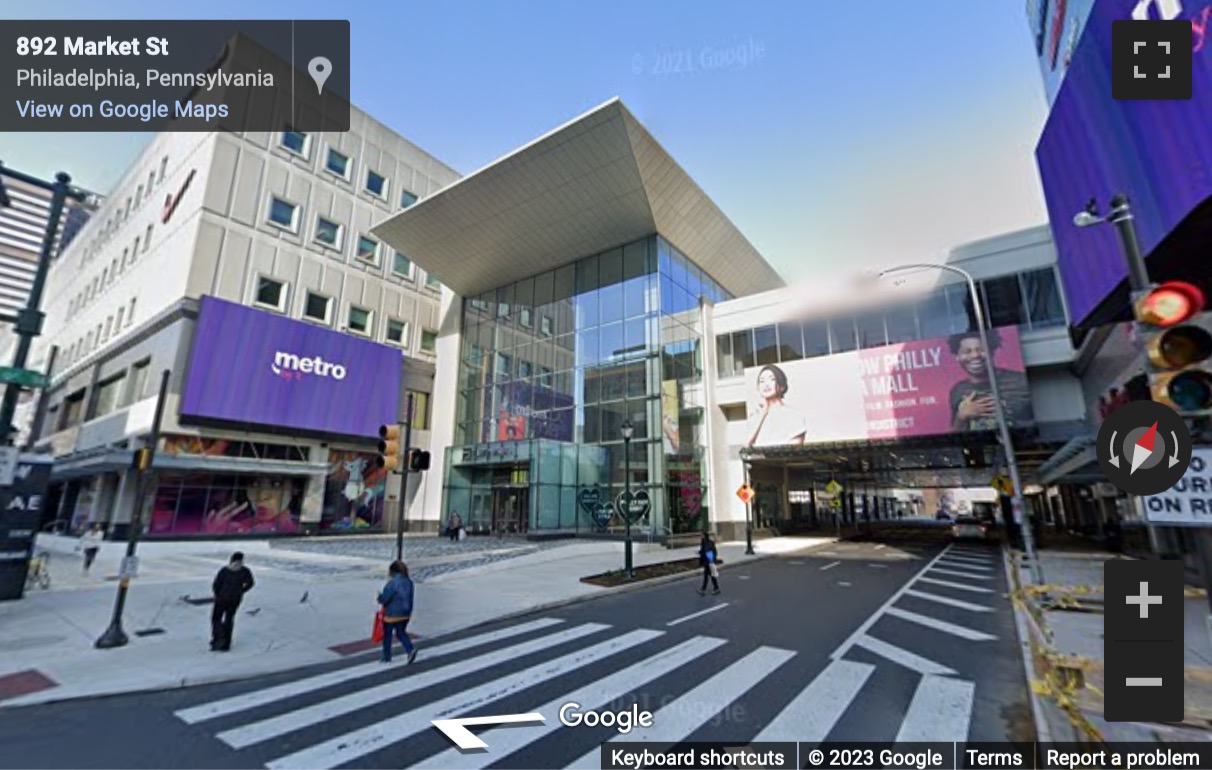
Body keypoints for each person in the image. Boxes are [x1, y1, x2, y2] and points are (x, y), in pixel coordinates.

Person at [947, 329, 1033, 432]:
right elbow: (955, 434)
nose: (975, 355)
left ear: (992, 352)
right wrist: (961, 416)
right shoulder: (958, 390)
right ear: (957, 357)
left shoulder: (1019, 381)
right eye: (967, 351)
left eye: (981, 349)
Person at [747, 364, 808, 447]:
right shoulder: (755, 416)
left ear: (782, 386)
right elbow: (748, 444)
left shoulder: (794, 415)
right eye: (762, 381)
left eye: (772, 379)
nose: (766, 384)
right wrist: (762, 415)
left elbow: (795, 450)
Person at [211, 552, 255, 651]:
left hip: (222, 598)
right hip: (235, 599)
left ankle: (218, 637)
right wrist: (242, 591)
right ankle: (226, 644)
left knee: (216, 618)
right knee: (229, 619)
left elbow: (216, 585)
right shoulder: (244, 571)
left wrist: (218, 595)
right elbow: (251, 583)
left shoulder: (225, 570)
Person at [377, 560, 418, 664]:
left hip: (392, 614)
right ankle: (410, 649)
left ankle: (387, 656)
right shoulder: (409, 582)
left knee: (387, 635)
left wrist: (379, 597)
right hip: (406, 613)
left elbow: (385, 599)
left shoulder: (392, 583)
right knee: (401, 632)